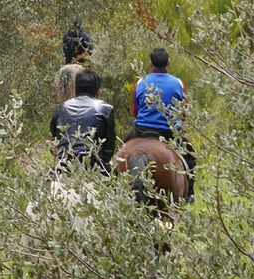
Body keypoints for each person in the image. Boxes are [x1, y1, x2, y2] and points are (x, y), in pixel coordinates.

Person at [132, 47, 195, 199]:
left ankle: (113, 185)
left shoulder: (141, 81)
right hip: (169, 132)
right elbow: (184, 112)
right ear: (168, 63)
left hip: (143, 130)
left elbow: (134, 111)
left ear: (151, 64)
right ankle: (190, 193)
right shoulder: (178, 83)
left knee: (122, 151)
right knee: (190, 157)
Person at [50, 69, 117, 174]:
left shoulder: (61, 108)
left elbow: (54, 137)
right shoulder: (105, 109)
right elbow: (110, 144)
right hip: (93, 163)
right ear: (97, 90)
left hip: (65, 163)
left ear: (76, 88)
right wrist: (104, 163)